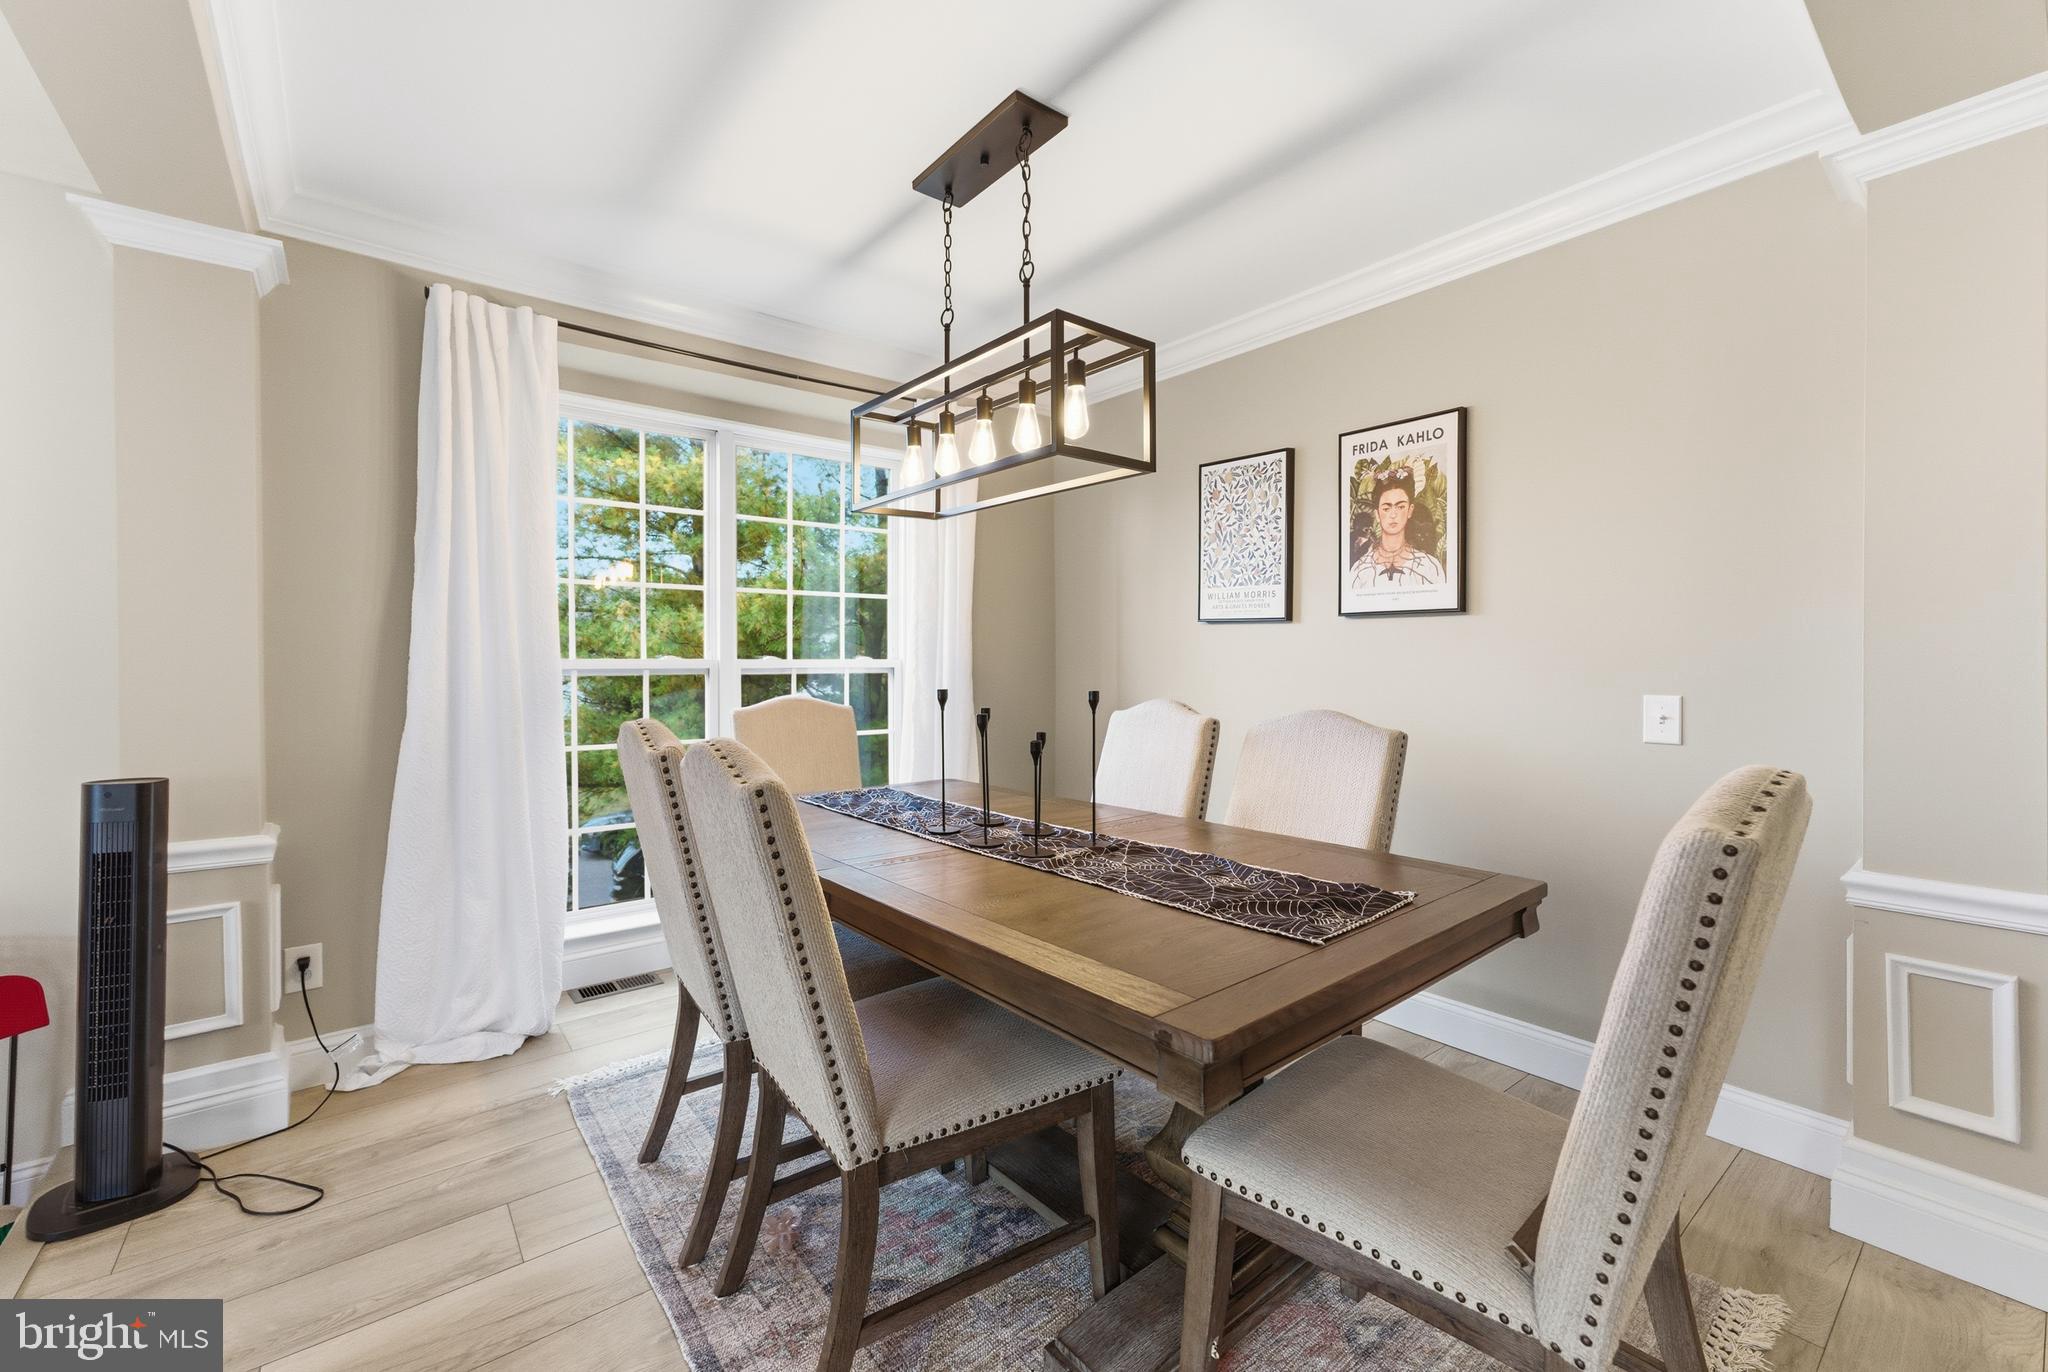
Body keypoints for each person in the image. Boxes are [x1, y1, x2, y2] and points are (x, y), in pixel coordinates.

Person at [1347, 466, 1445, 593]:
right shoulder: (1360, 570)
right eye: (1386, 508)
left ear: (1410, 510)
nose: (1393, 514)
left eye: (1400, 507)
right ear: (1377, 514)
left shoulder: (1430, 566)